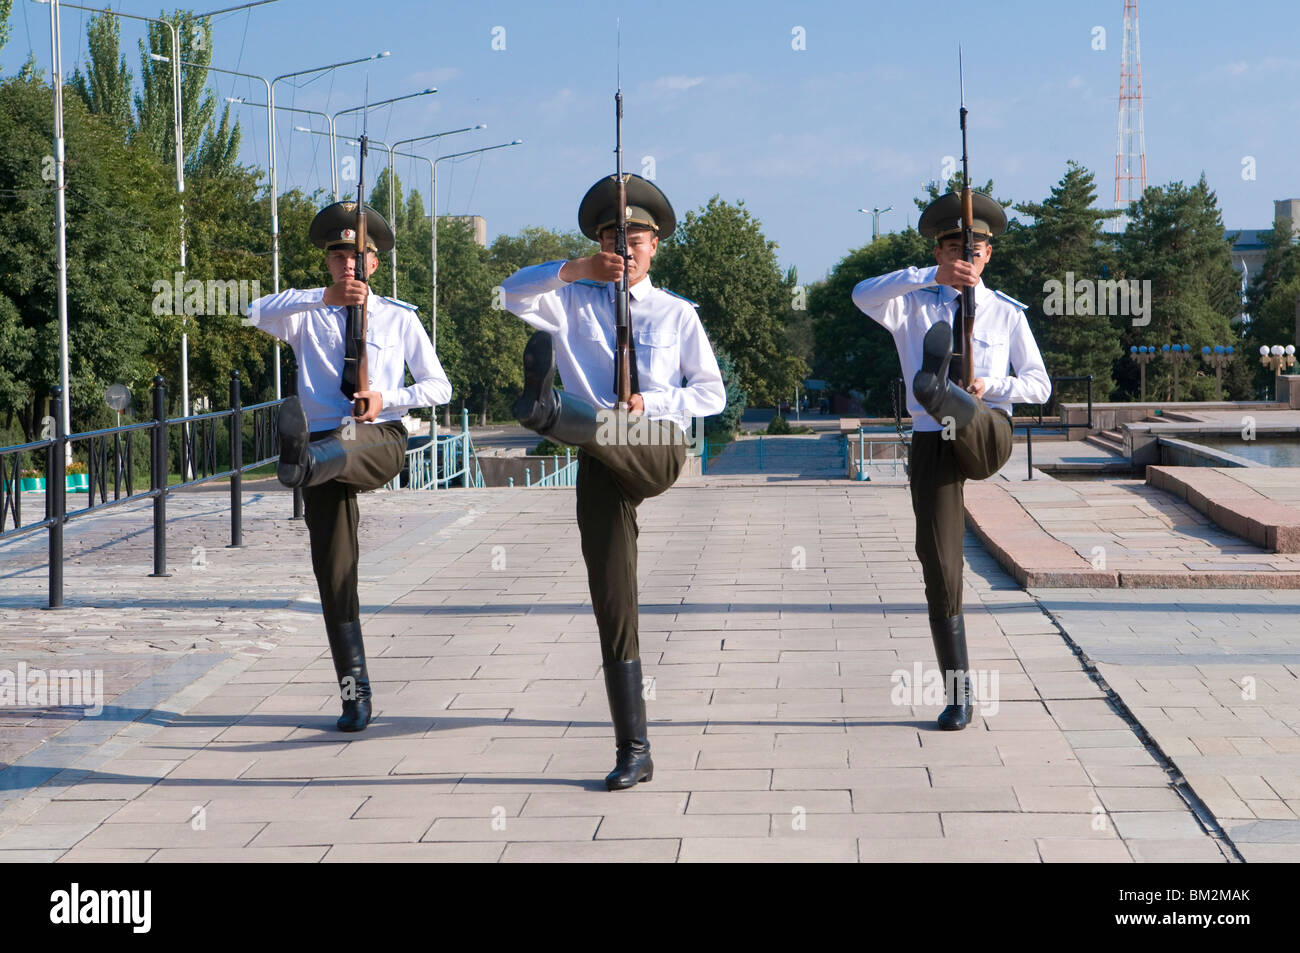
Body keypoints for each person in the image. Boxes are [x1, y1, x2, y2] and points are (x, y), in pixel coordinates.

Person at [501, 173, 726, 788]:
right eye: (610, 235)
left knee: (593, 424)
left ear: (655, 245)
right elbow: (510, 295)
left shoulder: (676, 313)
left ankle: (547, 412)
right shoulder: (568, 299)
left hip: (653, 444)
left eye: (634, 235)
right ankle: (634, 748)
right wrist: (572, 269)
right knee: (611, 594)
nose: (622, 246)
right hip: (598, 453)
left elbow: (711, 393)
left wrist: (650, 404)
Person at [247, 201, 451, 732]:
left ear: (375, 263)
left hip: (377, 437)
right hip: (318, 451)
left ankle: (300, 465)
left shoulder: (400, 317)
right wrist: (324, 298)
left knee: (347, 440)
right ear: (329, 263)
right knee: (334, 573)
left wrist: (388, 397)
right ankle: (354, 695)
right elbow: (252, 311)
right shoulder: (304, 313)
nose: (349, 265)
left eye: (359, 255)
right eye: (339, 256)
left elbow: (439, 386)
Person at [851, 191, 1050, 730]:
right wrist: (927, 275)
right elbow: (860, 293)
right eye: (955, 249)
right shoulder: (910, 303)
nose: (967, 258)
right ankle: (959, 694)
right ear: (939, 251)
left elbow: (1039, 384)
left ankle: (944, 391)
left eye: (976, 250)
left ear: (989, 256)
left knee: (954, 398)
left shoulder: (1006, 314)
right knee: (938, 560)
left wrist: (994, 385)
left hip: (987, 430)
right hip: (931, 435)